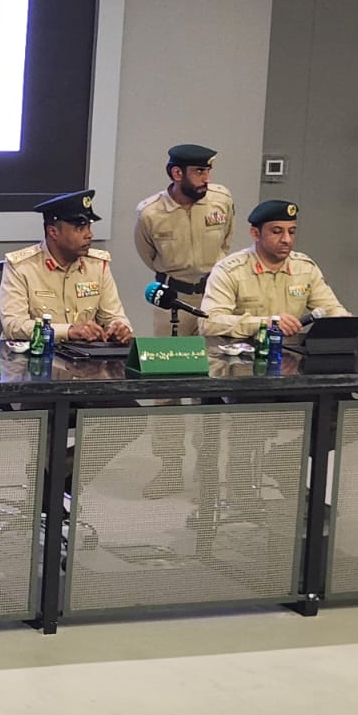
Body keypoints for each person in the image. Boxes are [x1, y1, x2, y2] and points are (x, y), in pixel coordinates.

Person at [133, 144, 234, 497]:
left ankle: (208, 466)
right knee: (168, 387)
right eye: (199, 172)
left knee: (214, 383)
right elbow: (148, 255)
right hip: (172, 300)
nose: (207, 178)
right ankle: (170, 468)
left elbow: (226, 243)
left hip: (215, 299)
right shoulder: (150, 213)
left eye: (208, 171)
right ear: (177, 174)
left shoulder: (221, 200)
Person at [0, 190, 134, 344]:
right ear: (53, 232)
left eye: (89, 227)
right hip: (35, 354)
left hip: (83, 356)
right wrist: (69, 331)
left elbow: (113, 316)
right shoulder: (22, 267)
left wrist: (119, 327)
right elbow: (14, 325)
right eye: (80, 228)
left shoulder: (97, 265)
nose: (89, 235)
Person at [200, 200, 351, 337]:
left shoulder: (304, 268)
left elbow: (331, 309)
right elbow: (209, 323)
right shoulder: (230, 270)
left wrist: (344, 321)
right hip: (243, 352)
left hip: (287, 351)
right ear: (255, 233)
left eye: (291, 232)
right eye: (277, 232)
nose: (286, 239)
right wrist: (265, 323)